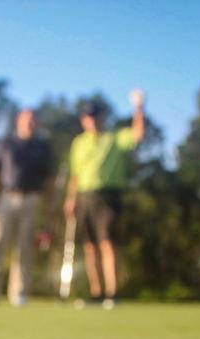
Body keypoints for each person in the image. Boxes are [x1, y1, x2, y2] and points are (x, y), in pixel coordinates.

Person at [64, 89, 146, 309]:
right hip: (85, 197)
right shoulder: (78, 143)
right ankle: (97, 293)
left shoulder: (115, 138)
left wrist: (139, 108)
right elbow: (75, 175)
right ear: (83, 119)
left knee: (108, 243)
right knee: (90, 246)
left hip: (108, 196)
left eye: (95, 115)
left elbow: (138, 134)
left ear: (102, 117)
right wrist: (71, 199)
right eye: (87, 116)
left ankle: (112, 292)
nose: (91, 120)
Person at [0, 109, 54, 307]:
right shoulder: (6, 143)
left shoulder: (42, 147)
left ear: (37, 123)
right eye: (26, 120)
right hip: (7, 198)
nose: (30, 123)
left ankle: (20, 293)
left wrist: (50, 208)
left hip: (32, 199)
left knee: (25, 247)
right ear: (18, 121)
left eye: (33, 120)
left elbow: (49, 180)